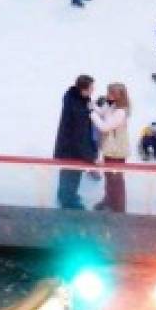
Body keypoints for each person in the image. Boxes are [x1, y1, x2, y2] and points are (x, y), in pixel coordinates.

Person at [53, 75, 98, 209]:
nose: (93, 90)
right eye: (91, 88)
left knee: (68, 173)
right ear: (83, 90)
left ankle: (66, 195)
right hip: (73, 150)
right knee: (72, 174)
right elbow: (80, 135)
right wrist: (89, 156)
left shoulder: (74, 98)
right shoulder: (78, 109)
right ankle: (68, 201)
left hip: (68, 147)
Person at [91, 83, 130, 212]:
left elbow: (104, 127)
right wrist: (93, 107)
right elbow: (102, 113)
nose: (107, 95)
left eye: (110, 94)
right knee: (109, 177)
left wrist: (92, 115)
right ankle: (108, 200)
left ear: (118, 96)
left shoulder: (121, 112)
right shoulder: (112, 105)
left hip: (117, 151)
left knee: (116, 181)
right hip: (110, 148)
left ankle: (119, 208)